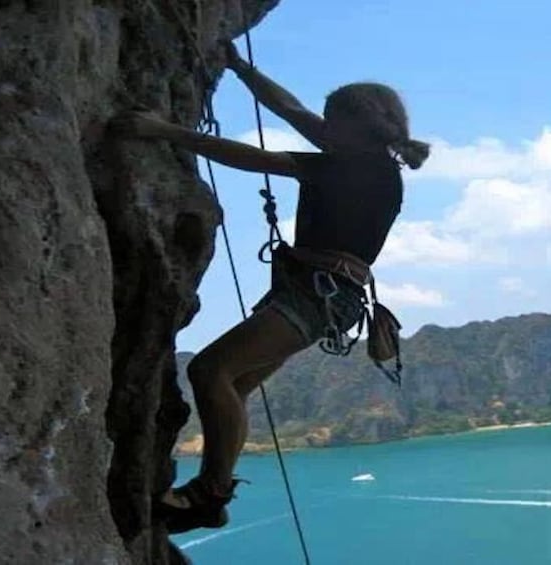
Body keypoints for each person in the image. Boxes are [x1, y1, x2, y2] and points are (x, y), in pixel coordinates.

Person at [112, 41, 429, 533]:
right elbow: (290, 108)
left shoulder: (353, 167)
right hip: (319, 293)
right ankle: (210, 491)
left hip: (319, 294)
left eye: (332, 120)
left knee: (210, 369)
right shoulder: (366, 160)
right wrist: (241, 68)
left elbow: (249, 158)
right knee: (232, 382)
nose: (323, 127)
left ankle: (210, 492)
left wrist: (164, 131)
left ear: (354, 125)